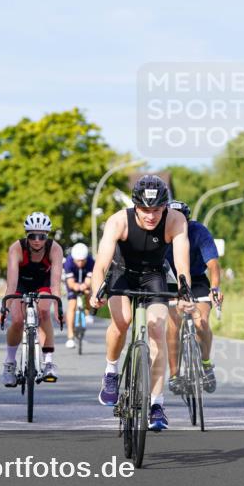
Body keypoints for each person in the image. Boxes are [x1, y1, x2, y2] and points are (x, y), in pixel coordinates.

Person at [89, 175, 193, 432]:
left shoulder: (175, 221)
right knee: (122, 321)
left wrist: (184, 291)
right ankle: (111, 371)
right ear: (135, 206)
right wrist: (96, 291)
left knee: (158, 330)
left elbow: (181, 262)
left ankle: (157, 405)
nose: (150, 216)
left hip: (153, 275)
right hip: (122, 272)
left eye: (156, 210)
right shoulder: (118, 221)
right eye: (145, 210)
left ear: (165, 207)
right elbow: (101, 262)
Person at [163, 200, 224, 394]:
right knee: (173, 324)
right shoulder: (160, 231)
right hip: (171, 281)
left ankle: (206, 364)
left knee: (201, 322)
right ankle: (174, 375)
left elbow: (213, 264)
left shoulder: (199, 231)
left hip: (197, 280)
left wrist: (214, 288)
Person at [0, 212, 64, 387]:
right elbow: (11, 284)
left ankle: (48, 362)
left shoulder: (55, 249)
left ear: (47, 236)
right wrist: (5, 307)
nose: (37, 240)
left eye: (41, 236)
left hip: (43, 283)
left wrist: (58, 307)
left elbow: (55, 284)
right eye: (32, 236)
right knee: (18, 320)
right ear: (27, 236)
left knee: (43, 312)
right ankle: (10, 363)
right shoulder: (16, 248)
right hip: (21, 283)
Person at [64, 242, 95, 348]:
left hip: (85, 281)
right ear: (74, 259)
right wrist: (77, 286)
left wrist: (85, 286)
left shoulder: (91, 262)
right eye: (78, 261)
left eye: (83, 260)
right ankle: (70, 337)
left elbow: (89, 280)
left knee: (88, 293)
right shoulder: (68, 263)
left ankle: (88, 312)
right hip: (73, 281)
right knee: (72, 304)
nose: (81, 263)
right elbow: (70, 283)